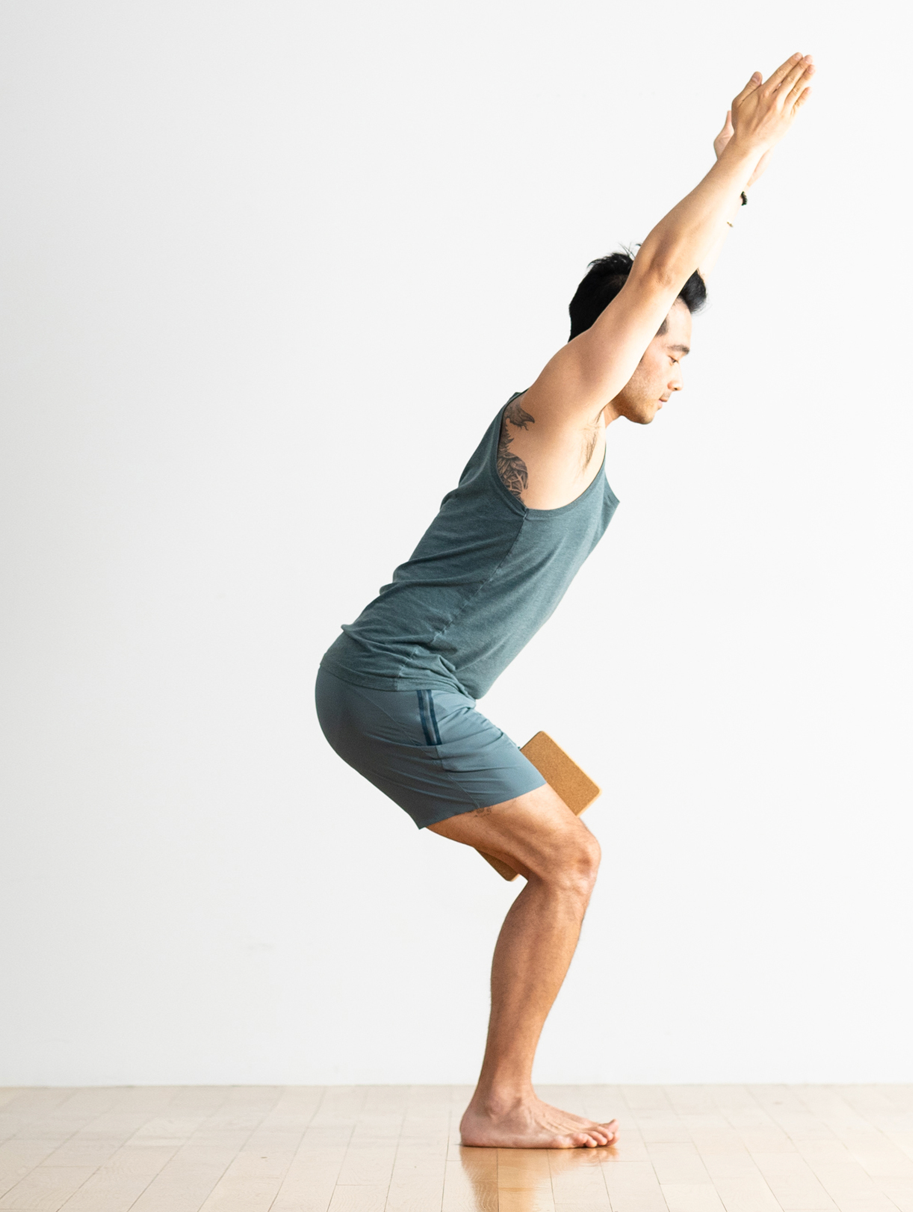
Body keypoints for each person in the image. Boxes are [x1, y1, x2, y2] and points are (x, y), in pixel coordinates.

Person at [314, 55, 818, 1149]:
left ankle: (503, 1098)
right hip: (393, 681)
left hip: (410, 686)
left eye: (686, 353)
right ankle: (501, 1104)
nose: (678, 370)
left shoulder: (587, 442)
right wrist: (740, 154)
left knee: (556, 851)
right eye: (667, 349)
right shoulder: (556, 411)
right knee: (573, 859)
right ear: (615, 342)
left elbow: (673, 274)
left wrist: (741, 184)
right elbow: (657, 275)